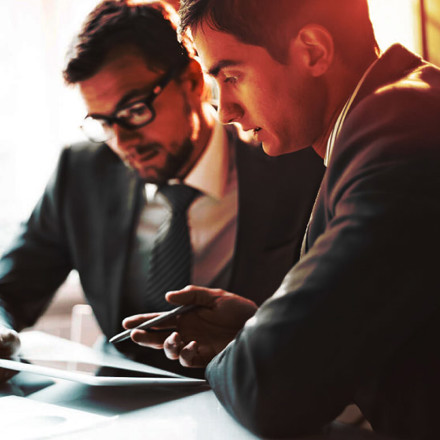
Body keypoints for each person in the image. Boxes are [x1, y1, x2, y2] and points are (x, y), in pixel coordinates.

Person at [124, 0, 440, 438]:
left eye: (230, 76)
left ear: (313, 50)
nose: (224, 110)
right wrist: (255, 331)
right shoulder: (389, 118)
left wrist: (256, 352)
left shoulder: (398, 135)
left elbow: (268, 388)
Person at [0, 0, 324, 381]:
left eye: (135, 111)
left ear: (192, 80)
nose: (122, 142)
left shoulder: (295, 168)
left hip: (241, 404)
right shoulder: (82, 172)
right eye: (103, 123)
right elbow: (10, 287)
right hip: (118, 407)